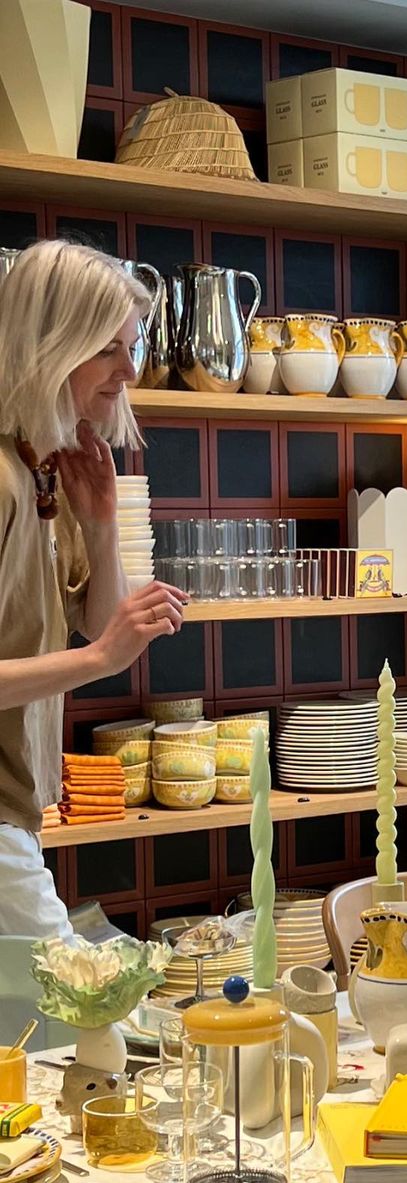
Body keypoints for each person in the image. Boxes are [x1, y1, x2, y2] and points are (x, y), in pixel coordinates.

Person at [0, 239, 188, 938]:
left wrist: (102, 526)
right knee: (79, 992)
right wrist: (99, 660)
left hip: (16, 806)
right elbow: (101, 646)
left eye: (130, 347)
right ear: (49, 344)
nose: (129, 370)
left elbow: (98, 620)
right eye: (109, 349)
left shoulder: (44, 469)